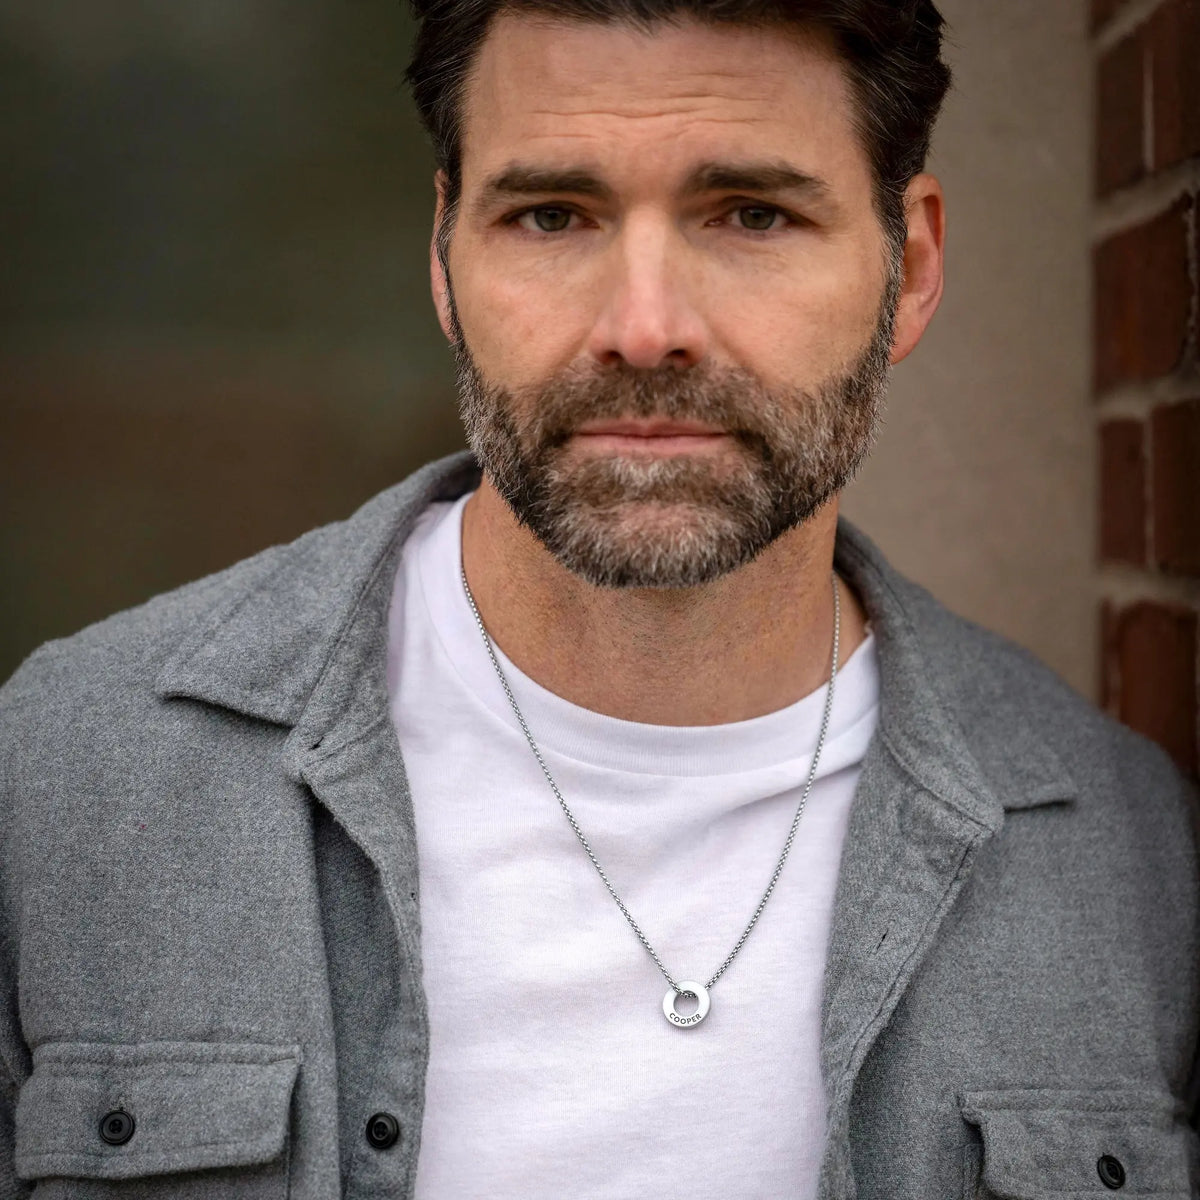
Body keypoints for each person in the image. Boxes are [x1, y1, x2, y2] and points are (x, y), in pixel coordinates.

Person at [1, 1, 1197, 1196]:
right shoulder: (64, 778)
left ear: (913, 265)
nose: (644, 329)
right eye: (552, 216)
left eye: (752, 214)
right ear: (443, 259)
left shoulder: (1131, 862)